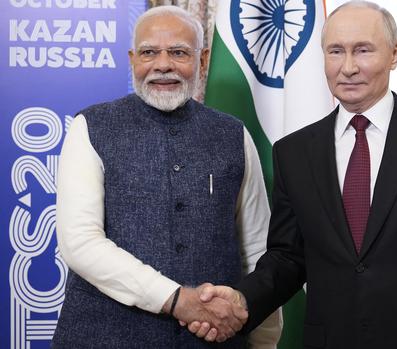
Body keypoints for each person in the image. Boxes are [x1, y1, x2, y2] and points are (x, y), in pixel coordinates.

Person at [193, 1, 397, 348]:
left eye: (362, 50)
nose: (347, 68)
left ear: (395, 53)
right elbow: (288, 257)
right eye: (335, 51)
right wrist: (242, 301)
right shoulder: (293, 152)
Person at [52, 5, 281, 348]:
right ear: (132, 59)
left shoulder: (234, 134)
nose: (162, 64)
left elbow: (257, 249)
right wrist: (177, 299)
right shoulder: (91, 127)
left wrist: (264, 342)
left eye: (178, 52)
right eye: (149, 52)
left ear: (203, 61)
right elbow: (80, 242)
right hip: (102, 338)